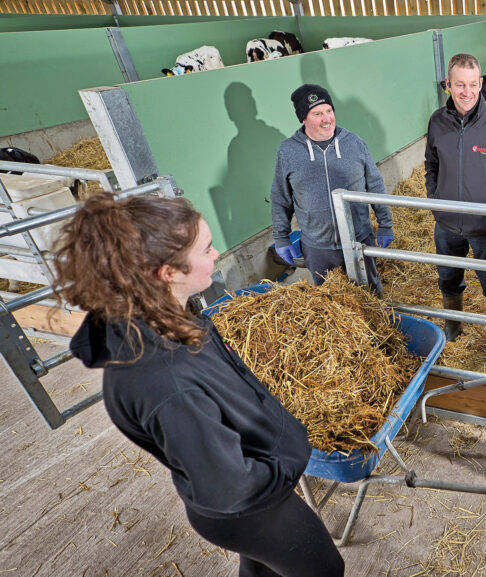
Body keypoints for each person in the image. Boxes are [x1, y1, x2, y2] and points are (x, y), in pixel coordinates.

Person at [55, 193, 346, 577]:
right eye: (206, 248)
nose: (217, 252)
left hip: (247, 485)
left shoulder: (162, 313)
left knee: (263, 572)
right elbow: (228, 485)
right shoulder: (163, 383)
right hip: (249, 507)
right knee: (325, 569)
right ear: (167, 272)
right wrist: (284, 465)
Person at [425, 53, 486, 359]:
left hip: (485, 225)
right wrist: (436, 199)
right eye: (459, 85)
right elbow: (431, 165)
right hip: (447, 223)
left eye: (472, 84)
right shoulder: (437, 122)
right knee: (448, 277)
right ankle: (453, 325)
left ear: (481, 84)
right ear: (448, 85)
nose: (466, 91)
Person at [271, 83, 393, 295]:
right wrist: (281, 237)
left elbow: (375, 185)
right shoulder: (288, 151)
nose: (326, 118)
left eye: (329, 111)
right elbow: (281, 198)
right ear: (303, 118)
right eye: (317, 113)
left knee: (371, 295)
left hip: (359, 240)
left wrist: (385, 223)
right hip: (318, 247)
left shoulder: (354, 143)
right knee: (330, 303)